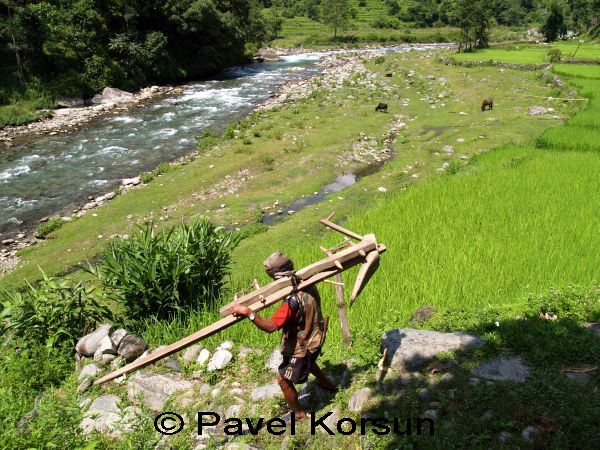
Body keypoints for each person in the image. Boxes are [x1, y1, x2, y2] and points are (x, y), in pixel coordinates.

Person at [230, 251, 337, 420]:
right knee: (309, 362)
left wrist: (248, 312)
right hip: (316, 336)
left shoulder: (291, 301)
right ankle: (327, 384)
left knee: (283, 380)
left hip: (304, 345)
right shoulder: (307, 281)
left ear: (273, 275)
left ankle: (299, 414)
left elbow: (270, 327)